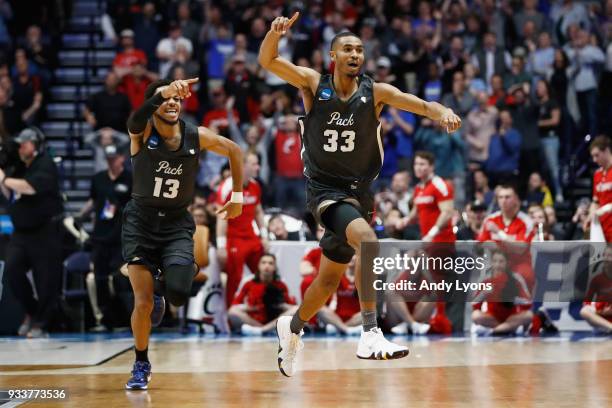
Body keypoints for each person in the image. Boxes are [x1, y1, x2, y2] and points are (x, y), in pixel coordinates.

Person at [258, 12, 461, 376]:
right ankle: (370, 332)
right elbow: (268, 61)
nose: (355, 54)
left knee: (327, 281)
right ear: (333, 56)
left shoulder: (376, 92)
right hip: (324, 191)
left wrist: (441, 110)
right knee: (369, 241)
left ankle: (291, 329)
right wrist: (275, 35)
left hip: (359, 195)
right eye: (347, 49)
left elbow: (416, 103)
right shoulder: (312, 84)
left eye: (360, 50)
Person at [123, 77, 243, 390]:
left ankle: (167, 285)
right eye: (166, 99)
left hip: (176, 223)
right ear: (154, 105)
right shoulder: (143, 132)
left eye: (177, 99)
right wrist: (160, 92)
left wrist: (238, 196)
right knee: (142, 302)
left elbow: (234, 150)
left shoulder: (196, 134)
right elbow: (134, 119)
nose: (173, 103)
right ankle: (141, 362)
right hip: (140, 223)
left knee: (177, 294)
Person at [0, 127, 63, 338]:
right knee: (11, 270)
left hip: (44, 230)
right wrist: (5, 181)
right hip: (21, 232)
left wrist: (3, 180)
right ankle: (31, 310)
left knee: (45, 279)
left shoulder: (45, 164)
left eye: (24, 144)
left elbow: (29, 188)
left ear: (35, 145)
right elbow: (10, 192)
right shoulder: (19, 166)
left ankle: (41, 322)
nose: (20, 148)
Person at [78, 144, 132, 331]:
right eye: (108, 158)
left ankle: (126, 318)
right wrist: (80, 216)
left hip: (123, 236)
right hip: (101, 235)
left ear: (121, 158)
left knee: (121, 277)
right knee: (100, 278)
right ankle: (105, 320)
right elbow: (93, 202)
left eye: (114, 158)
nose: (111, 161)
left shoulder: (130, 178)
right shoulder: (98, 179)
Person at [216, 151, 268, 307]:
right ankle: (231, 316)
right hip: (234, 239)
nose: (258, 167)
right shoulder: (227, 187)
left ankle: (262, 310)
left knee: (264, 273)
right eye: (254, 164)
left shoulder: (255, 185)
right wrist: (221, 246)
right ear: (242, 166)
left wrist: (264, 235)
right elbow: (221, 217)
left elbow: (258, 211)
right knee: (235, 278)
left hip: (252, 238)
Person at [478, 184, 536, 291]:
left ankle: (523, 306)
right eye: (500, 197)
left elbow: (521, 248)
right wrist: (489, 245)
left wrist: (499, 233)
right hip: (495, 263)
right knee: (481, 276)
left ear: (516, 199)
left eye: (507, 197)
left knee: (525, 275)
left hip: (519, 263)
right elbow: (480, 246)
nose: (503, 200)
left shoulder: (525, 222)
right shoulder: (490, 220)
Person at [227, 253, 297, 335]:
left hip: (274, 320)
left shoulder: (281, 284)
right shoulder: (248, 283)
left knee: (297, 310)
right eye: (263, 263)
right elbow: (235, 306)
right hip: (253, 321)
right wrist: (250, 307)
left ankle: (263, 330)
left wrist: (281, 305)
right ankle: (264, 329)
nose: (267, 266)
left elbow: (292, 306)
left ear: (274, 267)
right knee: (232, 311)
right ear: (259, 266)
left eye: (270, 263)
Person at [471, 250, 533, 335]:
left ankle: (495, 331)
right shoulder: (485, 279)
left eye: (501, 261)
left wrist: (513, 299)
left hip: (511, 318)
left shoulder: (515, 278)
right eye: (495, 261)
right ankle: (505, 329)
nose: (498, 265)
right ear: (492, 263)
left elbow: (528, 302)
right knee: (475, 315)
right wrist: (484, 293)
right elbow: (474, 305)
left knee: (529, 315)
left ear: (507, 263)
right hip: (493, 318)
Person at [587, 136, 612, 242]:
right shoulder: (597, 174)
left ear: (606, 150)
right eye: (593, 156)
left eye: (597, 155)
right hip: (602, 229)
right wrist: (590, 215)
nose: (595, 160)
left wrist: (604, 209)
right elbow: (595, 200)